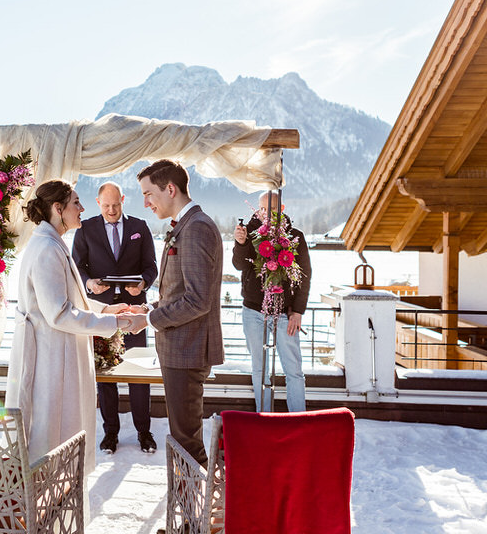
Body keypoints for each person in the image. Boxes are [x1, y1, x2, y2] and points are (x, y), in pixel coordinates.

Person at [4, 180, 137, 475]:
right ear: (57, 208)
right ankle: (48, 503)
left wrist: (107, 308)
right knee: (51, 439)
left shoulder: (51, 242)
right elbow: (60, 313)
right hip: (51, 360)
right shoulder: (46, 249)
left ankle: (56, 500)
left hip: (57, 354)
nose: (83, 208)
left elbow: (70, 297)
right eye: (76, 202)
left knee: (58, 439)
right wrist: (113, 323)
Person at [128, 159, 224, 467]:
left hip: (188, 350)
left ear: (170, 189)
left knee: (186, 443)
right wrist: (152, 307)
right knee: (184, 438)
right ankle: (191, 509)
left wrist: (149, 320)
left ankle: (192, 513)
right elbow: (180, 292)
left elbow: (198, 300)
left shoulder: (196, 228)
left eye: (148, 194)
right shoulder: (187, 225)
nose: (145, 203)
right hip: (181, 349)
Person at [72, 181, 158, 454]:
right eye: (106, 206)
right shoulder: (85, 229)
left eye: (116, 205)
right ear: (98, 203)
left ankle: (144, 432)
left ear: (123, 200)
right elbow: (77, 267)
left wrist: (142, 284)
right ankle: (110, 434)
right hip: (102, 311)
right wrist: (90, 285)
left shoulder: (140, 227)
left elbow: (151, 266)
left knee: (138, 374)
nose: (111, 210)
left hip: (135, 313)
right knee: (106, 374)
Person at [232, 191, 312, 412]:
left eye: (271, 209)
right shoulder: (249, 234)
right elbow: (239, 265)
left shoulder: (295, 236)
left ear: (282, 209)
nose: (265, 213)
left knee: (293, 369)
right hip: (253, 311)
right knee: (259, 368)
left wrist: (298, 310)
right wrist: (240, 243)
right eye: (262, 208)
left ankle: (298, 418)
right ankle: (264, 417)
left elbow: (305, 275)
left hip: (286, 314)